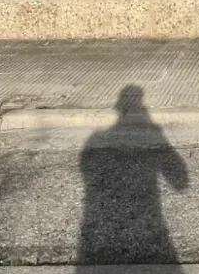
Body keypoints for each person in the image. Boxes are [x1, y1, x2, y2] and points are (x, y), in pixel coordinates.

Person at [77, 84, 189, 265]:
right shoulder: (154, 133)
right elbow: (180, 181)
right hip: (148, 223)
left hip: (100, 223)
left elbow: (87, 171)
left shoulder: (96, 138)